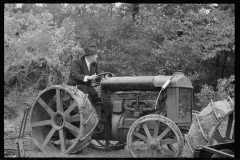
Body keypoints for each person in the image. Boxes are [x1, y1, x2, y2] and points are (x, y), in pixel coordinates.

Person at [67, 44, 103, 120]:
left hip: (87, 87)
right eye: (96, 54)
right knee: (87, 90)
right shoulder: (77, 62)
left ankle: (98, 116)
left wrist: (104, 79)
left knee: (97, 97)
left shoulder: (94, 64)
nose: (97, 56)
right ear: (90, 55)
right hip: (75, 87)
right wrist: (89, 77)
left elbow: (98, 76)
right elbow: (75, 75)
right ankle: (85, 115)